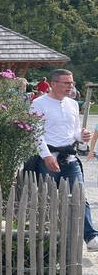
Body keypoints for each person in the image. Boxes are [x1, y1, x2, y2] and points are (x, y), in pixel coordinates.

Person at [30, 69, 98, 250]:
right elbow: (35, 133)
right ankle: (48, 239)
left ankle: (91, 237)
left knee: (79, 196)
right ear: (53, 84)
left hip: (70, 158)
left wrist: (81, 135)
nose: (71, 86)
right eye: (67, 83)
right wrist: (46, 156)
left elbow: (74, 131)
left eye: (72, 83)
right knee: (48, 198)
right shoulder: (38, 104)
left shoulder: (73, 104)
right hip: (49, 157)